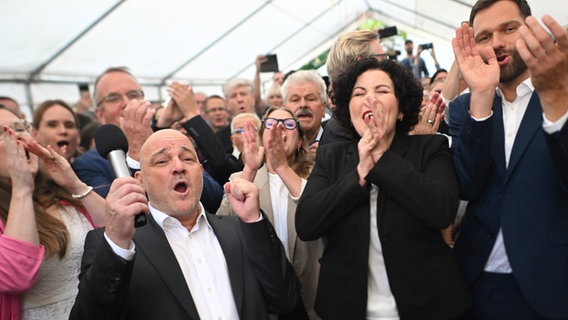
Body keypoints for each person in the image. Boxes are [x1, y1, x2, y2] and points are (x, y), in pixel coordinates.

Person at [295, 58, 472, 319]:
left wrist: (382, 159)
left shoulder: (429, 148)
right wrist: (359, 174)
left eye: (382, 91)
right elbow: (307, 223)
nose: (370, 100)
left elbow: (442, 210)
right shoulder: (332, 156)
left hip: (428, 305)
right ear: (348, 109)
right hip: (348, 307)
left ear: (401, 109)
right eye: (359, 93)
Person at [70, 129, 301, 320]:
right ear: (140, 181)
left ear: (200, 172)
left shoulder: (241, 229)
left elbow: (286, 301)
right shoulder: (114, 244)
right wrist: (118, 243)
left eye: (188, 158)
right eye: (162, 161)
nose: (179, 167)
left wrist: (253, 222)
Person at [449, 0, 568, 318]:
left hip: (549, 283)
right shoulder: (464, 108)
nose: (497, 42)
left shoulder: (562, 93)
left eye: (509, 29)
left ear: (532, 29)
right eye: (484, 36)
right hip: (473, 283)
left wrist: (557, 101)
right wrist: (481, 99)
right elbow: (468, 187)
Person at [217, 107, 324, 320]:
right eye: (271, 124)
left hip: (312, 290)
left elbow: (317, 212)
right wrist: (250, 168)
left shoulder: (319, 176)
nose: (278, 129)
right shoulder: (242, 176)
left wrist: (281, 166)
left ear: (300, 141)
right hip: (265, 291)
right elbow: (223, 224)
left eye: (288, 125)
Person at [0, 106, 106, 319]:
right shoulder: (20, 196)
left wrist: (75, 185)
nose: (17, 136)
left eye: (20, 127)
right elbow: (16, 278)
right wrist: (22, 188)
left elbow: (118, 232)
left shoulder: (56, 188)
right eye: (3, 134)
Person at [71, 67, 223, 212]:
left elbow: (214, 199)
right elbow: (121, 216)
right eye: (113, 98)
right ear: (100, 114)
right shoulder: (87, 164)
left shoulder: (170, 143)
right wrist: (138, 151)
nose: (126, 103)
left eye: (133, 95)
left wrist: (158, 134)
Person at [281, 70, 328, 158]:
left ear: (323, 107)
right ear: (284, 109)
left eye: (310, 99)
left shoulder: (339, 145)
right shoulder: (276, 150)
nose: (303, 105)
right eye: (295, 100)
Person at [31, 99, 81, 163]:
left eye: (69, 125)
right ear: (35, 135)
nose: (63, 131)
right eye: (52, 125)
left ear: (78, 136)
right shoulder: (26, 171)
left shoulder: (92, 169)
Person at [216, 78, 258, 154]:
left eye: (243, 94)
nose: (239, 99)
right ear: (227, 103)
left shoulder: (267, 126)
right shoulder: (220, 138)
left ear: (253, 99)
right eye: (233, 96)